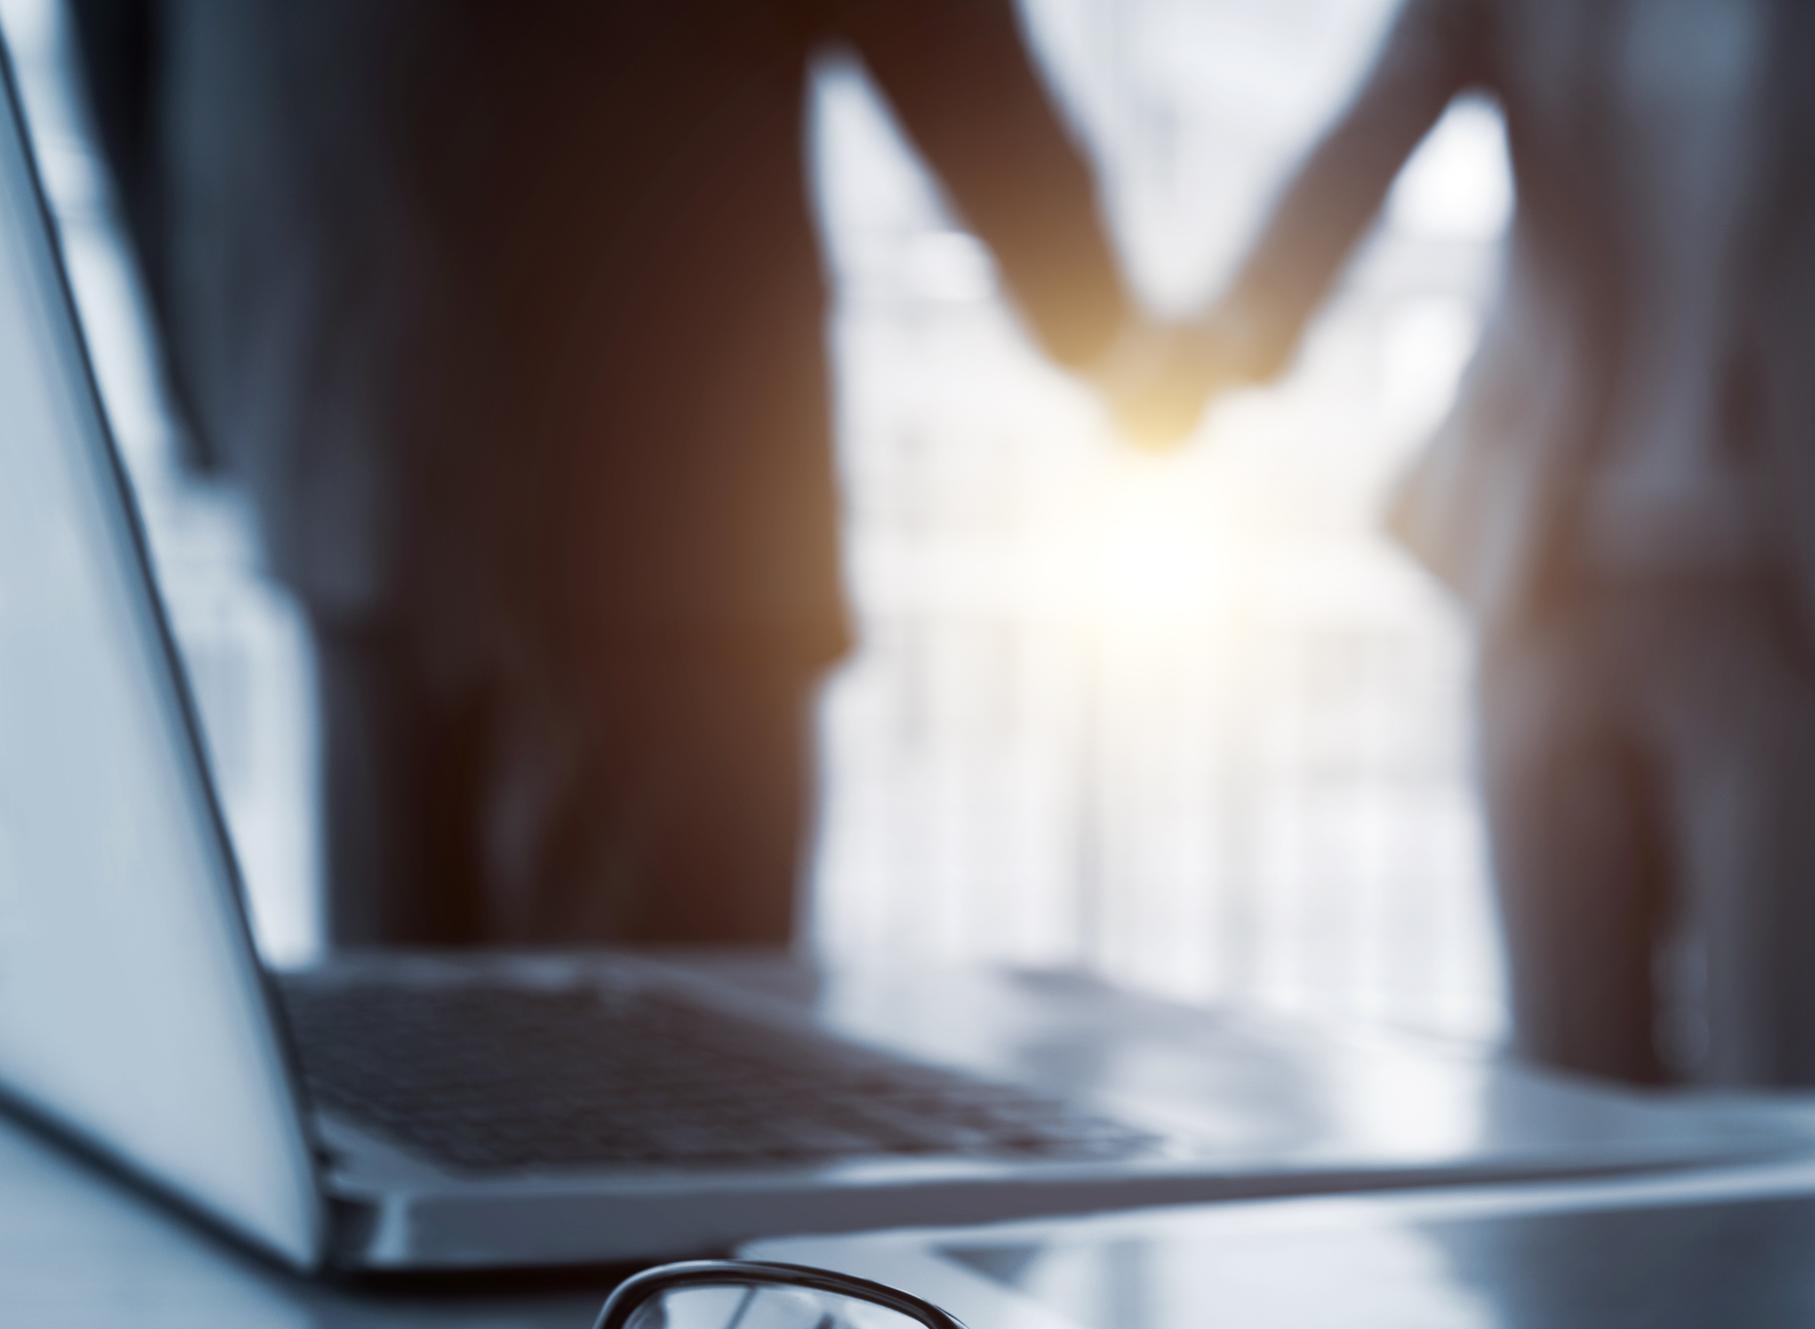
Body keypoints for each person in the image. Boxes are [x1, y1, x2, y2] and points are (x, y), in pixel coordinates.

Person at [64, 0, 1187, 949]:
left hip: (345, 431)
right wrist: (1110, 331)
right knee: (660, 1105)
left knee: (407, 1093)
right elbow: (946, 46)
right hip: (662, 459)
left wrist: (207, 386)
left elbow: (112, 43)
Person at [1202, 0, 1815, 1088]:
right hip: (1544, 579)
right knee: (1566, 1084)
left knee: (1777, 1073)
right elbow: (1368, 138)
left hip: (1784, 610)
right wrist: (1220, 343)